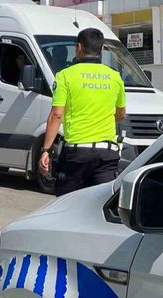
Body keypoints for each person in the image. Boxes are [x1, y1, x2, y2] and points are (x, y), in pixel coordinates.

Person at [38, 28, 126, 196]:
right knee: (101, 206)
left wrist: (46, 150)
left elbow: (57, 115)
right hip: (107, 153)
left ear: (79, 47)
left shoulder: (65, 76)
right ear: (101, 49)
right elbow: (121, 114)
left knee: (67, 205)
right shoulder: (115, 76)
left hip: (77, 154)